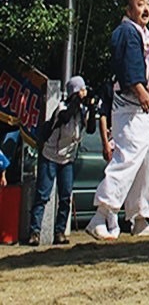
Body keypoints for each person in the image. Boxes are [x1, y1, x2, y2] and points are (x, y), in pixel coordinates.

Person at [87, 0, 149, 240]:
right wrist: (140, 90)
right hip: (132, 103)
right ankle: (101, 214)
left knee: (148, 162)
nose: (145, 9)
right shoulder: (126, 31)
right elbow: (126, 66)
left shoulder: (143, 33)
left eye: (148, 4)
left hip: (148, 105)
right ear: (129, 10)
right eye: (140, 4)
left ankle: (141, 218)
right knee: (128, 157)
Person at [28, 76, 94, 246]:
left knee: (65, 197)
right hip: (50, 155)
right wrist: (76, 100)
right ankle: (34, 232)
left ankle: (60, 232)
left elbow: (92, 128)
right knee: (43, 195)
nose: (84, 92)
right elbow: (65, 117)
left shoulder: (82, 112)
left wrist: (92, 107)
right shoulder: (62, 107)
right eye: (82, 89)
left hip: (67, 159)